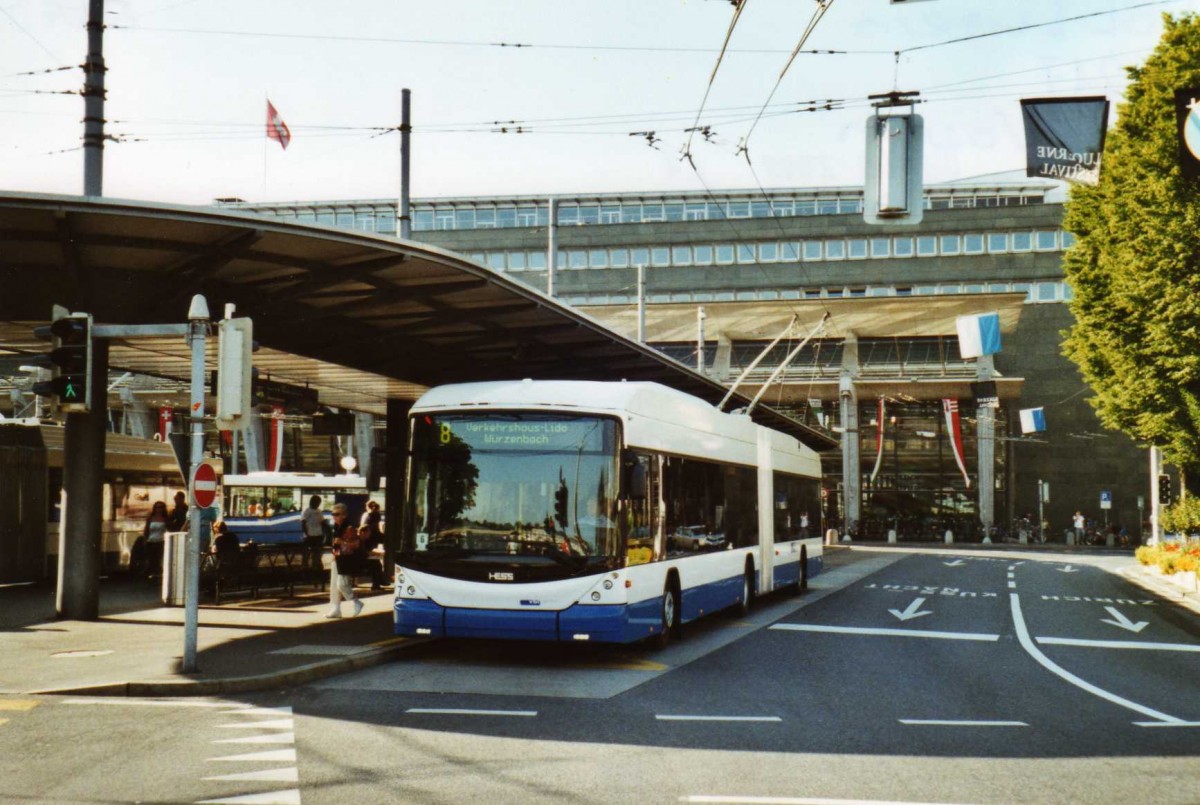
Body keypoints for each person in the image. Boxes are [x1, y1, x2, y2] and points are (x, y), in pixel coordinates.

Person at [326, 503, 363, 618]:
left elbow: (356, 544)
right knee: (334, 585)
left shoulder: (349, 528)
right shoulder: (337, 527)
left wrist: (342, 543)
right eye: (333, 514)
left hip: (346, 559)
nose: (334, 516)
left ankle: (356, 602)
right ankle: (336, 608)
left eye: (337, 514)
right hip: (337, 558)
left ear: (344, 515)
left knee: (342, 584)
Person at [142, 500, 170, 577]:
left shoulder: (165, 519)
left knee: (159, 560)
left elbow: (169, 529)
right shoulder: (150, 518)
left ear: (163, 509)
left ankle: (158, 575)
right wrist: (145, 540)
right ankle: (152, 575)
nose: (158, 509)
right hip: (150, 542)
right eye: (157, 507)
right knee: (151, 560)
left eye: (160, 507)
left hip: (161, 542)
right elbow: (146, 530)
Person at [301, 495, 328, 573]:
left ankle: (316, 567)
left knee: (317, 553)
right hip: (309, 536)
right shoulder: (306, 511)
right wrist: (306, 534)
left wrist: (323, 533)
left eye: (319, 503)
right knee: (307, 553)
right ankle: (305, 568)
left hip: (318, 535)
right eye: (317, 502)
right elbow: (303, 523)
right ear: (312, 502)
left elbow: (322, 522)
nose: (318, 504)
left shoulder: (319, 511)